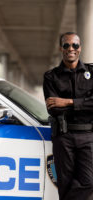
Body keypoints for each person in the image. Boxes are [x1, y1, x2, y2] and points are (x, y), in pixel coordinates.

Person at [43, 32, 93, 200]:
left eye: (75, 45)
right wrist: (84, 104)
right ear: (60, 48)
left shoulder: (92, 73)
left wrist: (67, 102)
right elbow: (53, 109)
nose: (71, 49)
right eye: (66, 45)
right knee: (64, 184)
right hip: (63, 137)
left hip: (88, 136)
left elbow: (61, 105)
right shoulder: (51, 77)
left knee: (89, 182)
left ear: (80, 48)